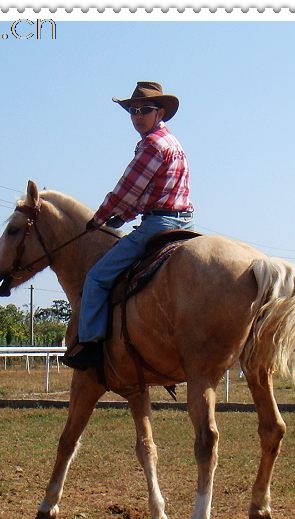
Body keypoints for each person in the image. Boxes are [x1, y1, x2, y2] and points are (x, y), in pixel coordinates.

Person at [64, 81, 194, 370]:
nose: (137, 116)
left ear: (160, 112)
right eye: (133, 111)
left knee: (96, 278)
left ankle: (91, 347)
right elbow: (150, 193)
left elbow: (127, 189)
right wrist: (122, 218)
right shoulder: (174, 143)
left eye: (144, 110)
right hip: (182, 221)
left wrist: (99, 218)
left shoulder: (151, 144)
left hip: (159, 224)